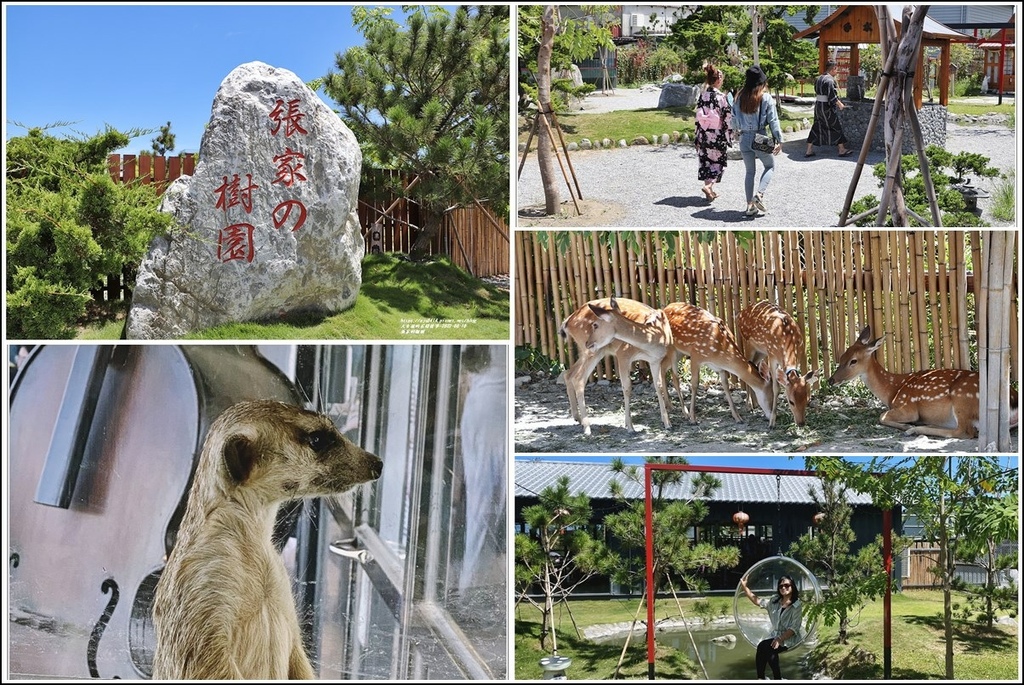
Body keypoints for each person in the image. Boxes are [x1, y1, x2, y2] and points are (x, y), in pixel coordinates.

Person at [731, 65, 783, 216]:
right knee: (770, 166)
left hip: (743, 137)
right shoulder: (765, 98)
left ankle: (749, 206)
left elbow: (733, 118)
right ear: (761, 82)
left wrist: (735, 132)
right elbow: (773, 121)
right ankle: (759, 195)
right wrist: (779, 139)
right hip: (759, 136)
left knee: (749, 172)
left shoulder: (739, 97)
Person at [740, 573, 804, 680]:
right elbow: (757, 600)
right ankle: (761, 678)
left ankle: (777, 679)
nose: (784, 588)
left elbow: (794, 628)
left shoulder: (796, 605)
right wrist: (744, 587)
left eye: (787, 585)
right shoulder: (774, 601)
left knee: (768, 648)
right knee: (762, 646)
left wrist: (780, 639)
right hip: (776, 636)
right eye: (781, 586)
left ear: (792, 586)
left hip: (790, 637)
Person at [694, 63, 733, 202]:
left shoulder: (702, 96)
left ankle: (709, 191)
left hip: (704, 132)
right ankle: (709, 186)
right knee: (718, 161)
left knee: (706, 160)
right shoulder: (721, 97)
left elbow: (698, 116)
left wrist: (697, 135)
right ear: (718, 80)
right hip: (717, 134)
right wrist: (730, 133)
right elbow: (727, 116)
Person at [805, 60, 853, 157]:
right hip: (826, 107)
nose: (837, 72)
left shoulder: (818, 79)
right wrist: (840, 104)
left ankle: (809, 150)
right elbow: (832, 96)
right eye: (836, 69)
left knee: (817, 126)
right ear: (833, 69)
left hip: (818, 106)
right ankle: (841, 150)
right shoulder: (830, 80)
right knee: (836, 126)